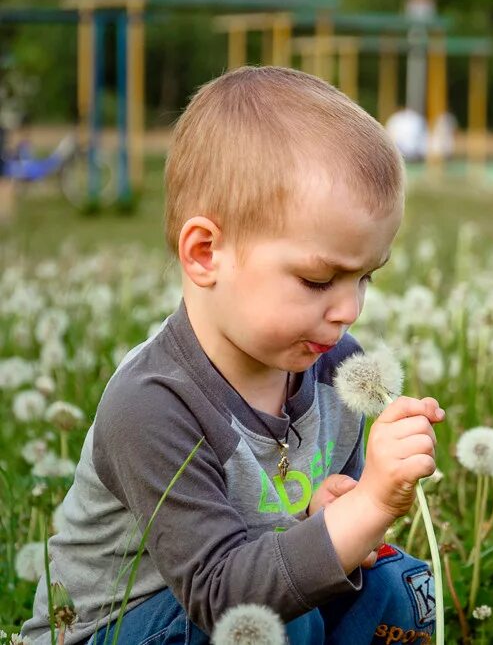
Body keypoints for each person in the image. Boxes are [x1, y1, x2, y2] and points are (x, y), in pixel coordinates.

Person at [20, 66, 444, 644]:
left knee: (397, 586)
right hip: (126, 625)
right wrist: (369, 504)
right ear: (205, 253)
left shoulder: (338, 370)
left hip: (255, 595)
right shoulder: (152, 404)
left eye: (365, 277)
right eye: (319, 280)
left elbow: (313, 535)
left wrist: (332, 507)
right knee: (273, 621)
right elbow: (221, 596)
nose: (349, 309)